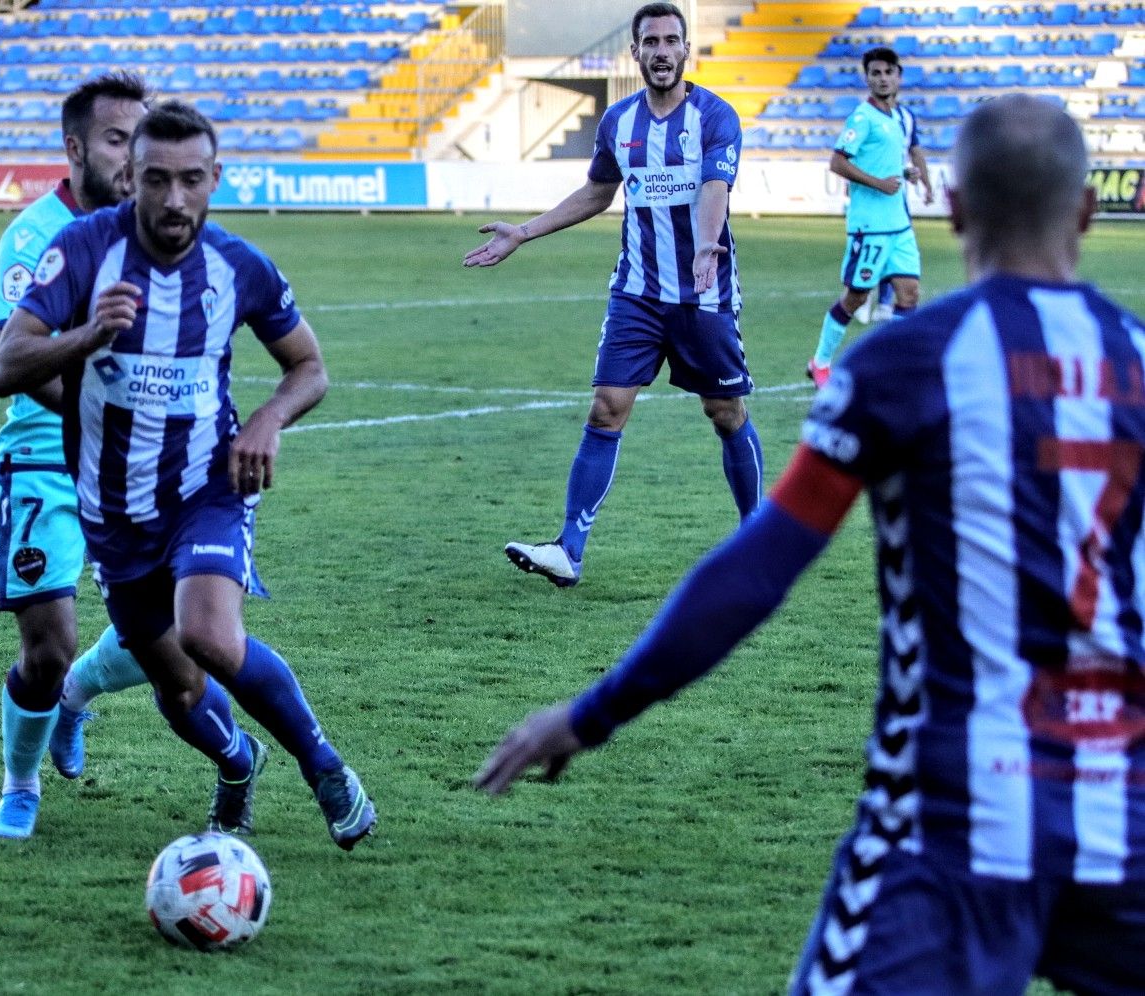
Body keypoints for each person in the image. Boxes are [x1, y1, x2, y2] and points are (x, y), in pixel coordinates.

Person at [476, 95, 1145, 994]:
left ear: (948, 206)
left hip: (951, 825)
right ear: (1089, 212)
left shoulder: (903, 363)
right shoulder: (1137, 359)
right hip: (1124, 819)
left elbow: (756, 570)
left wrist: (592, 713)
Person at [0, 101, 377, 850]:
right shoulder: (80, 251)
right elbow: (6, 365)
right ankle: (237, 769)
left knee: (209, 637)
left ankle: (324, 765)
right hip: (112, 510)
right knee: (178, 684)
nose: (175, 200)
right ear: (130, 175)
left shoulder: (240, 265)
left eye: (192, 181)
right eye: (157, 180)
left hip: (207, 487)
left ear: (215, 178)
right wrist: (90, 334)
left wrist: (266, 422)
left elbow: (309, 367)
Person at [464, 2, 763, 589]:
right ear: (635, 52)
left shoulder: (715, 117)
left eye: (670, 40)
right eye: (649, 41)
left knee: (725, 412)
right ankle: (568, 550)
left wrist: (705, 246)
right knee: (606, 407)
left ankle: (759, 536)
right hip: (637, 293)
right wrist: (523, 232)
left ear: (685, 50)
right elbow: (597, 192)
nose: (660, 51)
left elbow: (714, 187)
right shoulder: (618, 124)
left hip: (703, 294)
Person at [0, 72, 161, 840]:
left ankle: (76, 702)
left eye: (140, 139)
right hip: (45, 456)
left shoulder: (157, 232)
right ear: (76, 146)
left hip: (138, 462)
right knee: (47, 646)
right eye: (117, 139)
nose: (132, 156)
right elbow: (21, 364)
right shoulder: (30, 237)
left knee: (169, 630)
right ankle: (19, 787)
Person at [807, 46, 933, 389]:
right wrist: (878, 183)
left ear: (898, 76)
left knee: (909, 294)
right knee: (857, 298)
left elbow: (903, 153)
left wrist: (916, 178)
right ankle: (819, 362)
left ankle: (897, 368)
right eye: (875, 73)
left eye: (887, 72)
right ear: (868, 78)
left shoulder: (900, 117)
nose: (882, 78)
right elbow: (837, 161)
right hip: (870, 227)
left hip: (900, 226)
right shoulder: (862, 118)